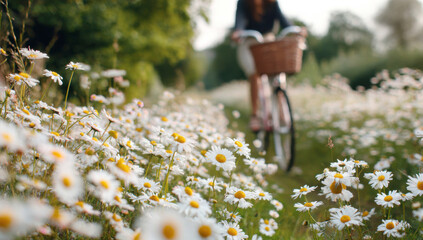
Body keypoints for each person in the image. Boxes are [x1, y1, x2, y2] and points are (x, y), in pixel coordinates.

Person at [231, 0, 306, 131]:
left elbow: (283, 20)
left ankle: (280, 111)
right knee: (254, 73)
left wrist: (296, 30)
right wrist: (238, 32)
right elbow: (240, 21)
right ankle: (255, 115)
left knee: (276, 73)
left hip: (267, 40)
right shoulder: (243, 3)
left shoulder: (272, 3)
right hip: (249, 40)